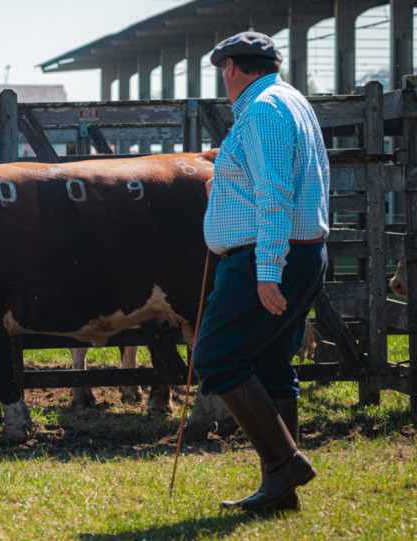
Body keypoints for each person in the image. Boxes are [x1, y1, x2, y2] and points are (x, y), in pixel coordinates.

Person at [192, 31, 329, 512]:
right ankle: (281, 490)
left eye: (222, 71)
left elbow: (275, 195)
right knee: (271, 363)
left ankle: (284, 465)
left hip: (263, 258)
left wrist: (267, 271)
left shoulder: (263, 111)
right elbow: (279, 184)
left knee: (215, 357)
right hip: (298, 251)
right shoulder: (291, 101)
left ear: (231, 67)